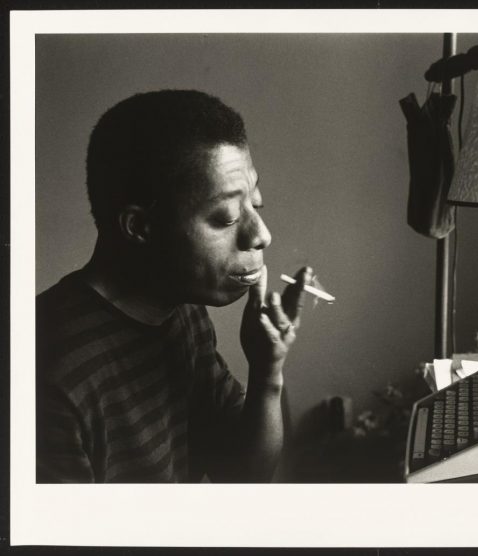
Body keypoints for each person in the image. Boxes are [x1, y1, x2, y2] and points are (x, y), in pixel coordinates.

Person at [36, 90, 311, 483]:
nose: (262, 235)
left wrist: (267, 372)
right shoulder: (49, 375)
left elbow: (242, 474)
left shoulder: (183, 312)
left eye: (256, 205)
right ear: (140, 227)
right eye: (227, 218)